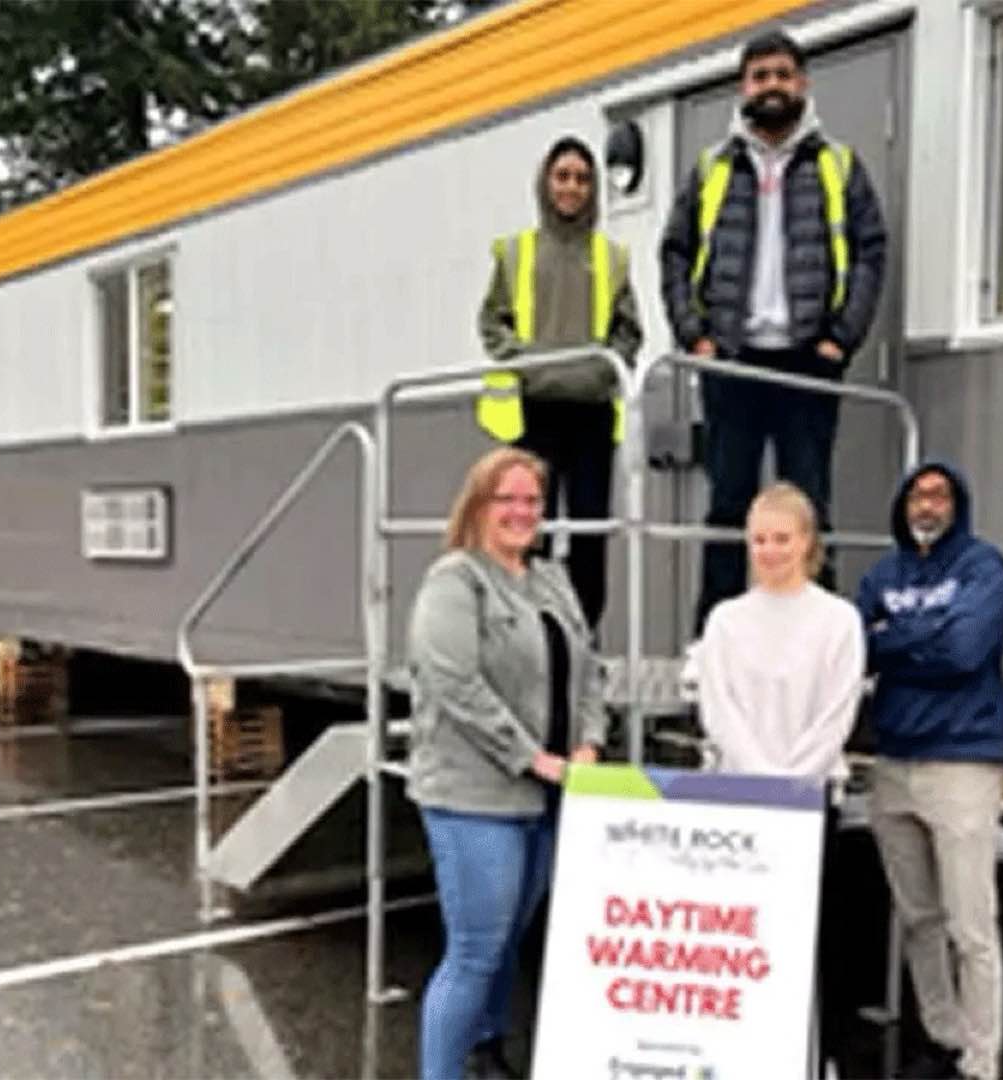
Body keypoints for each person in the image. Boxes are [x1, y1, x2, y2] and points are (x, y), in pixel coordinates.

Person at [659, 29, 888, 634]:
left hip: (808, 361)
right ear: (743, 88)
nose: (772, 86)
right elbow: (675, 253)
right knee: (728, 508)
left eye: (783, 75)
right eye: (760, 77)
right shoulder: (712, 168)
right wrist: (694, 337)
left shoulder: (838, 164)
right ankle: (710, 650)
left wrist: (843, 336)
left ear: (803, 83)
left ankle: (818, 643)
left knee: (809, 506)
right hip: (732, 363)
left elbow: (871, 250)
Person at [406, 446, 608, 1080]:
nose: (522, 512)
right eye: (508, 499)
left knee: (506, 942)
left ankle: (487, 1049)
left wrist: (589, 743)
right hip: (475, 798)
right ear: (478, 505)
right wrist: (535, 759)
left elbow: (589, 671)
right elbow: (455, 685)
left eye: (533, 501)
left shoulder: (551, 578)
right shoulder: (454, 580)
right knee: (473, 952)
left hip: (549, 793)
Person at [696, 481, 865, 1078]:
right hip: (741, 809)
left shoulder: (838, 620)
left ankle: (819, 1059)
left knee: (816, 945)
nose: (769, 551)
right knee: (743, 946)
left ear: (807, 542)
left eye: (781, 538)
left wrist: (792, 788)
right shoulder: (725, 620)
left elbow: (836, 714)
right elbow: (718, 711)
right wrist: (762, 786)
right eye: (758, 539)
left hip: (812, 804)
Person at [855, 463, 1003, 1080]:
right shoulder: (883, 574)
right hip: (893, 760)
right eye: (918, 494)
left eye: (940, 494)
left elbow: (966, 650)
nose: (928, 505)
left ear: (959, 505)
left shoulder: (985, 567)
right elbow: (856, 643)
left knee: (972, 924)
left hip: (963, 761)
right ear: (902, 505)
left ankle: (983, 1056)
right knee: (919, 916)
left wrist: (896, 637)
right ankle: (943, 1032)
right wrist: (921, 637)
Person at [479, 135, 642, 631]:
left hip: (591, 411)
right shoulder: (516, 252)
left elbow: (629, 331)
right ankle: (528, 632)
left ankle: (583, 635)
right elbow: (491, 324)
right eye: (562, 176)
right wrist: (530, 363)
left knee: (591, 531)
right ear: (545, 184)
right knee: (529, 528)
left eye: (582, 178)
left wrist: (598, 367)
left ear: (593, 189)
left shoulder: (611, 257)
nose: (572, 187)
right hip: (534, 411)